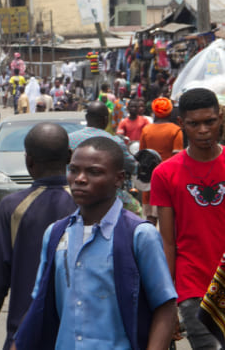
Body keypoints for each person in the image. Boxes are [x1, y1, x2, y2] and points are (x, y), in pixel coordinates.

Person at [13, 136, 177, 350]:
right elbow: (39, 304)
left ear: (118, 179)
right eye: (73, 170)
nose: (80, 179)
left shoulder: (139, 235)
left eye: (94, 172)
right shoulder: (55, 234)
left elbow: (165, 306)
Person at [0, 123, 76, 350]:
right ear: (69, 156)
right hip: (81, 338)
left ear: (29, 161)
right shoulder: (89, 205)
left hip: (26, 337)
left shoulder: (12, 208)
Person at [151, 88, 225, 349]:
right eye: (194, 124)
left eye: (210, 121)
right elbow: (167, 242)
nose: (203, 130)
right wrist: (167, 302)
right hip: (193, 287)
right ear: (181, 124)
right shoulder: (165, 174)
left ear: (220, 118)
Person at [68, 101, 141, 214]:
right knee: (136, 209)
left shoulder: (69, 139)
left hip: (72, 193)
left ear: (87, 118)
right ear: (106, 120)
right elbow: (131, 166)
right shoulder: (115, 141)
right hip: (105, 196)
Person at [138, 97, 183, 224]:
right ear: (170, 111)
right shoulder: (175, 130)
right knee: (168, 220)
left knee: (150, 218)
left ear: (154, 111)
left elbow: (142, 153)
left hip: (150, 177)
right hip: (168, 177)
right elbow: (177, 157)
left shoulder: (146, 130)